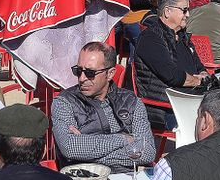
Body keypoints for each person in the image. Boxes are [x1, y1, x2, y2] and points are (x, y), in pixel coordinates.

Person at [51, 42, 154, 172]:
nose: (82, 78)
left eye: (90, 73)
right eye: (78, 71)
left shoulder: (131, 102)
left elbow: (148, 151)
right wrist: (125, 138)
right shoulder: (64, 102)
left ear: (110, 74)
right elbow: (70, 147)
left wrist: (86, 152)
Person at [132, 0, 206, 128]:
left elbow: (199, 66)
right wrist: (198, 81)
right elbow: (172, 75)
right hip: (166, 107)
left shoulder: (183, 37)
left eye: (188, 10)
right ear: (167, 12)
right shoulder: (151, 38)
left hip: (189, 98)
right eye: (184, 10)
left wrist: (204, 75)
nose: (188, 15)